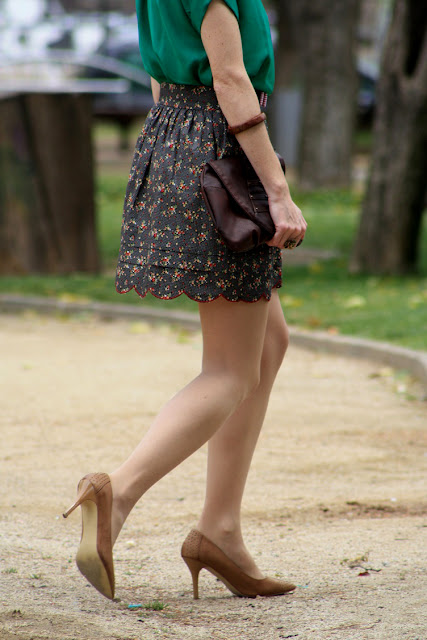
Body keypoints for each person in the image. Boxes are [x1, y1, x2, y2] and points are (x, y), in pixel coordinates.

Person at [63, 0, 307, 601]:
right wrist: (277, 191)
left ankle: (220, 530)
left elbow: (159, 74)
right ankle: (117, 492)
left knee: (268, 343)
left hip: (175, 141)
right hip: (220, 158)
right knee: (230, 370)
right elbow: (230, 79)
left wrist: (179, 148)